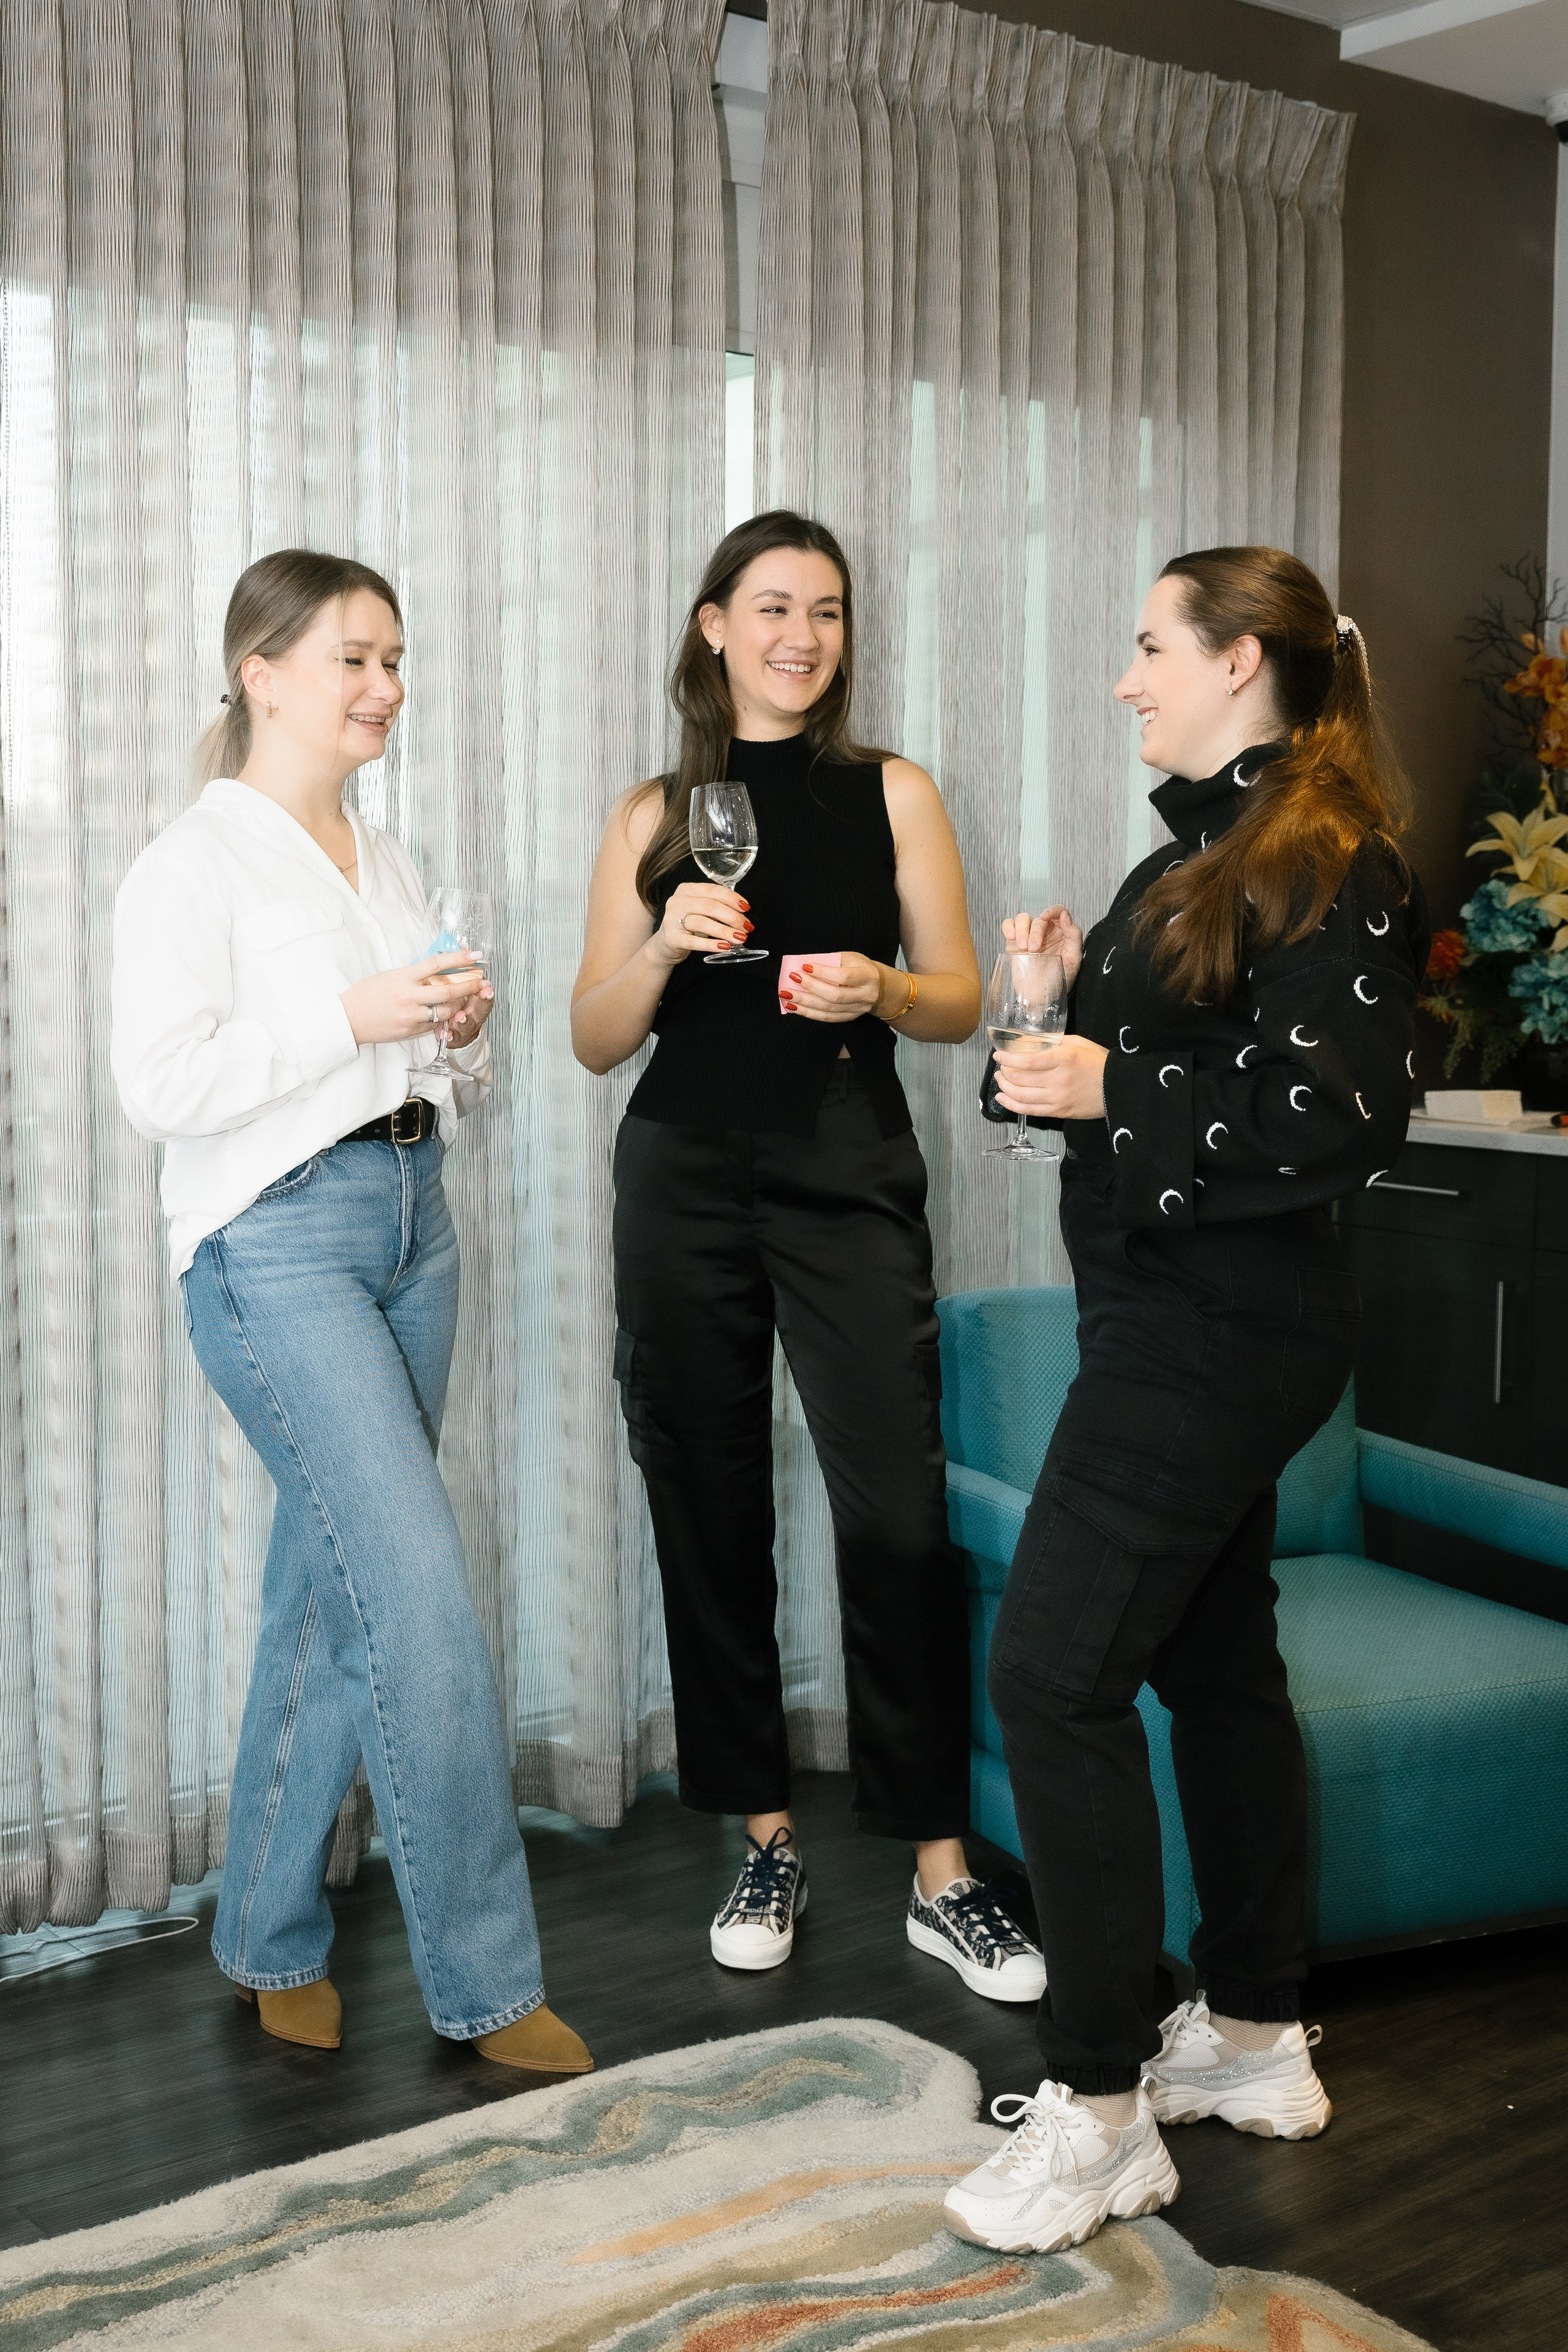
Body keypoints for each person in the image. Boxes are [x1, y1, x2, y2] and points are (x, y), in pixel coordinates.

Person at [944, 546, 1428, 2253]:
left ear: (1240, 661)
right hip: (1175, 1313)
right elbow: (1152, 1090)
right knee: (1216, 1665)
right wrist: (1056, 1013)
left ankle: (1095, 2112)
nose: (1128, 676)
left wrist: (1112, 1068)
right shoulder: (1203, 855)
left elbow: (1345, 1114)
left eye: (1151, 646)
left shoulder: (1332, 855)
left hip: (1219, 1333)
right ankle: (1249, 2027)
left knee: (1052, 1671)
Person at [111, 548, 590, 2075]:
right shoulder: (188, 864)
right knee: (417, 1599)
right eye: (354, 660)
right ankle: (489, 1986)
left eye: (396, 660)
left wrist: (452, 1031)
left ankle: (263, 1934)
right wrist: (353, 1015)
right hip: (272, 1251)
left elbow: (420, 1081)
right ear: (261, 673)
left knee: (326, 1596)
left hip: (410, 1221)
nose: (385, 688)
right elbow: (160, 1086)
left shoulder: (379, 858)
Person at [571, 510, 1044, 1999]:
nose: (801, 635)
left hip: (845, 1172)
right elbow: (594, 1038)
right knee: (707, 1509)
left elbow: (963, 1000)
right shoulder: (654, 807)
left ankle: (937, 1870)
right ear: (712, 625)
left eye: (826, 612)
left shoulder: (892, 790)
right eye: (771, 606)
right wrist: (658, 944)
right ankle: (763, 1835)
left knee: (896, 1516)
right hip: (681, 1180)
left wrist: (882, 987)